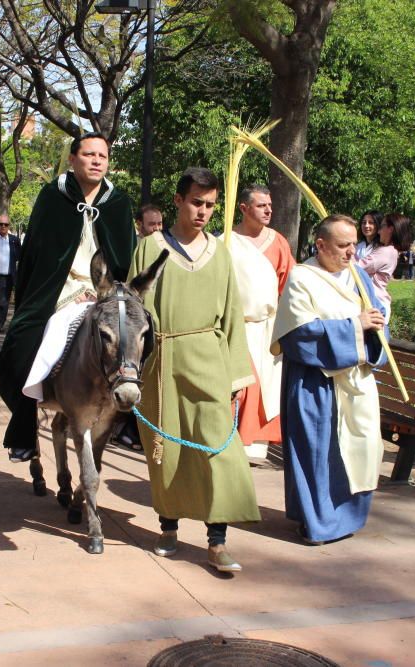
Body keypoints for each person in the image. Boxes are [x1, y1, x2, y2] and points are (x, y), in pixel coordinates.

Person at [132, 167, 259, 573]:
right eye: (196, 203)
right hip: (161, 362)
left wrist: (236, 375)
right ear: (178, 201)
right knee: (165, 450)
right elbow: (134, 311)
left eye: (209, 205)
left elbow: (233, 317)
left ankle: (217, 541)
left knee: (217, 449)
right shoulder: (149, 249)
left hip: (209, 359)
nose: (203, 211)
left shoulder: (220, 254)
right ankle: (168, 527)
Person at [0, 132, 135, 463]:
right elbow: (37, 257)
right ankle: (25, 430)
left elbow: (125, 259)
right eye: (89, 155)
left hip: (106, 292)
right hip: (59, 290)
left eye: (102, 156)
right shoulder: (52, 198)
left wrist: (108, 293)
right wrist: (65, 292)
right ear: (73, 160)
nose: (97, 161)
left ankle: (130, 424)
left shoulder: (118, 203)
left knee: (137, 341)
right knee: (21, 345)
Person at [271, 214, 388, 545]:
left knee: (360, 448)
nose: (351, 252)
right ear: (321, 245)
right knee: (316, 453)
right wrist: (355, 326)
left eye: (353, 244)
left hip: (356, 381)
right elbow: (299, 335)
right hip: (315, 383)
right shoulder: (301, 278)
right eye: (342, 245)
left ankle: (346, 517)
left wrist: (374, 328)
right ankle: (317, 523)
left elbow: (377, 318)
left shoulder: (359, 278)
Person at [228, 184, 295, 460]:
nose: (268, 209)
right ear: (244, 208)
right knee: (240, 388)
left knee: (265, 387)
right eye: (261, 205)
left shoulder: (278, 242)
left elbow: (288, 284)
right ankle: (231, 441)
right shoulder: (226, 242)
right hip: (236, 326)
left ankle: (256, 446)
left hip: (267, 327)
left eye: (269, 204)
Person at [356, 213, 412, 322]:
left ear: (390, 229)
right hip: (373, 305)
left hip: (375, 306)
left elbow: (357, 267)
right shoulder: (389, 250)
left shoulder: (386, 251)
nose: (379, 231)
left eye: (381, 227)